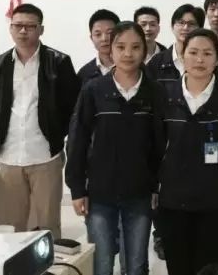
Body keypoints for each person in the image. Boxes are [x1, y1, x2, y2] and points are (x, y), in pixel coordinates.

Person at [66, 21, 166, 275]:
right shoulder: (94, 89)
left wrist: (156, 185)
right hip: (100, 193)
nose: (128, 53)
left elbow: (160, 144)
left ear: (144, 50)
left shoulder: (154, 92)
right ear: (111, 49)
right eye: (121, 47)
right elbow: (78, 139)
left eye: (135, 47)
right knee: (101, 263)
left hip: (139, 193)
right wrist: (77, 188)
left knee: (136, 264)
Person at [0, 3, 79, 239]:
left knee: (48, 223)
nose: (23, 31)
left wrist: (55, 134)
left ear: (41, 29)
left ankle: (48, 261)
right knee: (12, 224)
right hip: (9, 156)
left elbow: (71, 105)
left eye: (30, 26)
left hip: (45, 155)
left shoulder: (58, 61)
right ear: (10, 28)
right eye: (18, 25)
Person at [157, 29, 218, 275]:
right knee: (178, 266)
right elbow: (155, 146)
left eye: (207, 53)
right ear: (182, 56)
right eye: (193, 52)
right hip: (173, 199)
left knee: (210, 268)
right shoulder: (165, 95)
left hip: (214, 200)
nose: (199, 59)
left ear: (217, 59)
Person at [145, 3, 205, 262]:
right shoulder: (158, 63)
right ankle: (162, 234)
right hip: (166, 139)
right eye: (181, 22)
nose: (185, 27)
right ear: (172, 26)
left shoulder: (206, 61)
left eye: (191, 24)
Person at [77, 9, 120, 86]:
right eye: (98, 34)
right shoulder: (84, 74)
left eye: (110, 33)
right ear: (91, 38)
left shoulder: (133, 68)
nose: (104, 38)